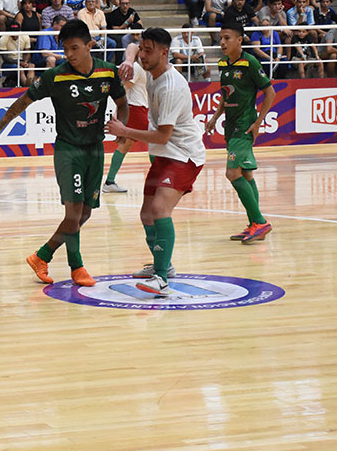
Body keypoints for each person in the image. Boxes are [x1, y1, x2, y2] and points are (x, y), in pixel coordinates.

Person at [0, 19, 128, 287]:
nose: (69, 54)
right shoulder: (55, 76)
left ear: (89, 45)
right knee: (73, 214)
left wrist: (123, 126)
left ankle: (42, 256)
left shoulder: (108, 72)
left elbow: (122, 102)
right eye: (65, 49)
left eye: (74, 48)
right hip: (68, 151)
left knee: (84, 214)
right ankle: (77, 268)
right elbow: (22, 102)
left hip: (95, 150)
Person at [104, 27, 204, 295]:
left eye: (149, 50)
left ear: (164, 52)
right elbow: (133, 48)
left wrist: (124, 131)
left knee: (159, 209)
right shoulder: (148, 69)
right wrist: (128, 59)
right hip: (165, 154)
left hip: (184, 154)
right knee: (146, 214)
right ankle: (165, 265)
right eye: (143, 49)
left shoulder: (171, 85)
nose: (143, 54)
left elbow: (162, 135)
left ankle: (161, 278)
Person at [203, 23, 275, 244]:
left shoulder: (250, 62)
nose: (222, 42)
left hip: (244, 125)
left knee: (232, 173)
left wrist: (258, 122)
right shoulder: (223, 63)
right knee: (246, 174)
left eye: (226, 38)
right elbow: (226, 95)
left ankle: (260, 221)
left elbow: (269, 92)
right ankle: (254, 224)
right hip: (230, 124)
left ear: (239, 40)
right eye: (220, 38)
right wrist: (215, 117)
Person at [102, 43, 148, 194]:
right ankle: (162, 181)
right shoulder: (136, 68)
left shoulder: (143, 68)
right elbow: (123, 91)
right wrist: (117, 113)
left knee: (125, 145)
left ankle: (109, 181)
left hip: (137, 109)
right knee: (157, 141)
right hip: (136, 110)